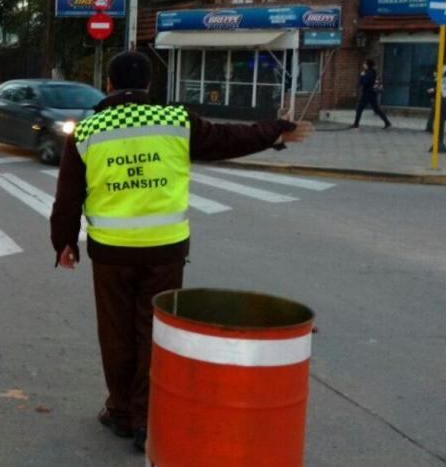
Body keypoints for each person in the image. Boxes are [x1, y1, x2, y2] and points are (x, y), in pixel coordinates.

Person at [49, 52, 312, 453]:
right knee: (153, 333)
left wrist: (64, 242)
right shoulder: (175, 122)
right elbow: (228, 139)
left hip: (112, 255)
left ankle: (120, 411)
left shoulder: (88, 130)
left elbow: (68, 196)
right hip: (165, 252)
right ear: (150, 86)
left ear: (108, 85)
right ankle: (145, 419)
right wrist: (275, 131)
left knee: (116, 335)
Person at [351, 59, 391, 129]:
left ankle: (356, 124)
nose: (363, 64)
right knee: (376, 109)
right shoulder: (371, 72)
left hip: (367, 94)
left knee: (359, 108)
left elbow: (364, 83)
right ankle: (387, 122)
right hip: (371, 94)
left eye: (364, 63)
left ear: (367, 65)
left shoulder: (368, 73)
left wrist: (362, 76)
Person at [427, 72, 446, 152]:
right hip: (440, 97)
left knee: (440, 120)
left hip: (442, 98)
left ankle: (439, 143)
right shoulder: (442, 70)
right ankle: (438, 142)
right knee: (439, 120)